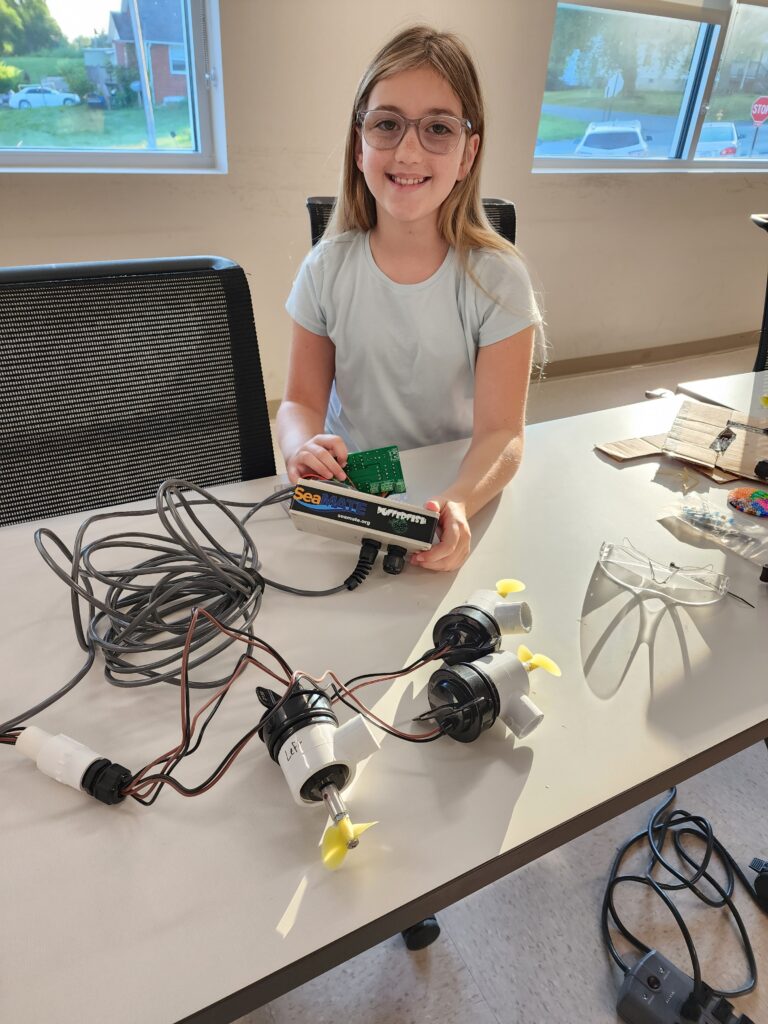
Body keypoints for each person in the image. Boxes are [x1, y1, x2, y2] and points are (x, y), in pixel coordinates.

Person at [278, 25, 544, 572]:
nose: (408, 150)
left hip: (453, 485)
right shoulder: (325, 269)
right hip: (349, 488)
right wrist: (300, 447)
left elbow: (502, 434)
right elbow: (299, 403)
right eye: (387, 124)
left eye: (438, 128)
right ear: (359, 144)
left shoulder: (498, 280)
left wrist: (460, 500)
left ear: (468, 154)